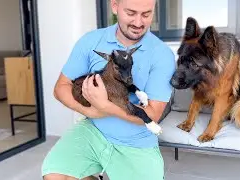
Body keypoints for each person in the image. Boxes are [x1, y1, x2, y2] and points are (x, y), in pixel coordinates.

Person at [41, 0, 176, 179]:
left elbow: (153, 115)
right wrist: (90, 111)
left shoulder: (162, 54)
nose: (138, 22)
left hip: (136, 142)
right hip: (94, 131)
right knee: (55, 175)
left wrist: (105, 107)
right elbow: (61, 88)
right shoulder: (90, 41)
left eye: (146, 14)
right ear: (115, 6)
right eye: (130, 13)